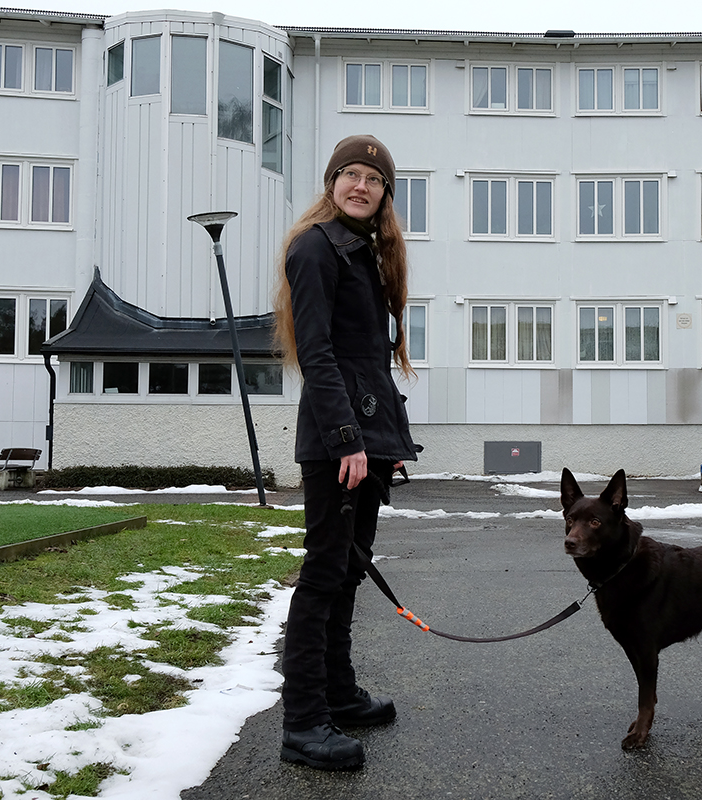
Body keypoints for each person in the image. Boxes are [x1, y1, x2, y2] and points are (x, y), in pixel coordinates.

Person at [272, 134, 418, 770]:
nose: (361, 185)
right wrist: (347, 440)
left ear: (385, 194)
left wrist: (387, 442)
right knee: (323, 575)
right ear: (332, 183)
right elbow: (318, 355)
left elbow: (370, 365)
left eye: (373, 179)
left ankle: (339, 693)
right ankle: (304, 724)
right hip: (338, 443)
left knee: (350, 572)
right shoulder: (316, 247)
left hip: (366, 440)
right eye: (349, 175)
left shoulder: (364, 254)